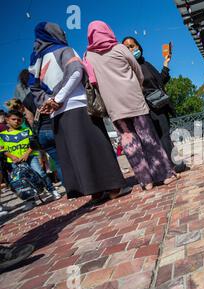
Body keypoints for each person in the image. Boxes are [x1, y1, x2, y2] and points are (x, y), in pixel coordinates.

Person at [29, 22, 130, 203]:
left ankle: (94, 192)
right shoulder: (63, 50)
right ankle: (114, 187)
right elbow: (76, 72)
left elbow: (34, 89)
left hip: (56, 114)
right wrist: (58, 99)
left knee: (77, 153)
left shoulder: (36, 61)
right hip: (77, 106)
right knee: (96, 146)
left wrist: (49, 102)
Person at [85, 21, 179, 191]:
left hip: (114, 106)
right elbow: (137, 70)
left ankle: (146, 181)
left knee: (129, 142)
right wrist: (136, 85)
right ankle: (164, 175)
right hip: (134, 100)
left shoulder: (88, 56)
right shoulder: (119, 48)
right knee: (148, 137)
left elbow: (92, 81)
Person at [122, 36, 187, 172]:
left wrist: (166, 63)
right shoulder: (129, 69)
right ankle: (173, 165)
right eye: (127, 48)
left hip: (160, 104)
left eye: (132, 46)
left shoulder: (146, 64)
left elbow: (160, 82)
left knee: (164, 134)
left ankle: (171, 163)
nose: (130, 49)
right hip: (147, 107)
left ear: (138, 46)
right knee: (160, 135)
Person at [0, 110, 61, 201]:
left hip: (30, 157)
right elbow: (2, 149)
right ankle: (30, 201)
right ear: (7, 120)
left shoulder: (27, 130)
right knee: (22, 180)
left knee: (40, 173)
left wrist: (26, 154)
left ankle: (52, 190)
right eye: (14, 119)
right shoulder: (2, 135)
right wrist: (12, 157)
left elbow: (33, 144)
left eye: (19, 120)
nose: (17, 121)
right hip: (14, 161)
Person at [15, 69, 64, 183]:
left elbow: (30, 119)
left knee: (57, 162)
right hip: (55, 127)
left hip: (42, 133)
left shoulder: (26, 99)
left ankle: (71, 190)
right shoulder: (45, 91)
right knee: (69, 157)